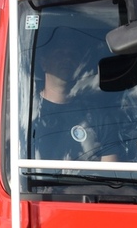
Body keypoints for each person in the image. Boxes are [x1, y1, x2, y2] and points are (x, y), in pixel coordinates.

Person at [30, 31, 127, 162]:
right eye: (59, 54)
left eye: (73, 55)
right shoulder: (26, 112)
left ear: (79, 65)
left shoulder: (99, 116)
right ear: (43, 62)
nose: (67, 59)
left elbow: (111, 173)